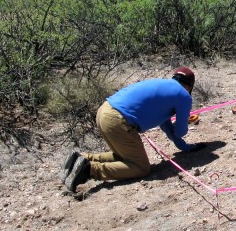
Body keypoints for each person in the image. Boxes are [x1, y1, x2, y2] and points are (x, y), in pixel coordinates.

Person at [62, 67, 207, 192]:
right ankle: (89, 170)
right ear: (189, 86)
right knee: (141, 167)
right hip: (119, 120)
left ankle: (81, 158)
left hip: (104, 112)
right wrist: (182, 123)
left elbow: (167, 126)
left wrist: (186, 147)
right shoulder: (183, 96)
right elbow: (180, 131)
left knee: (125, 157)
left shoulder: (165, 86)